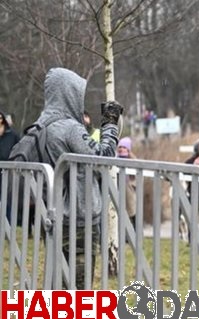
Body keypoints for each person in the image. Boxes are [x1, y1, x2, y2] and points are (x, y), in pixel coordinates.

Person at [14, 68, 121, 289]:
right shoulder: (70, 128)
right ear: (69, 93)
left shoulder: (42, 124)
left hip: (54, 215)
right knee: (78, 286)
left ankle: (58, 312)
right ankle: (73, 313)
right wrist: (110, 124)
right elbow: (103, 156)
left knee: (59, 281)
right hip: (79, 217)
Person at [1, 110, 21, 222]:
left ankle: (8, 225)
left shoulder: (12, 135)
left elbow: (20, 148)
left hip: (8, 172)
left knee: (6, 200)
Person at [116, 137, 137, 228]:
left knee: (131, 211)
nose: (121, 149)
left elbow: (137, 177)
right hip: (117, 190)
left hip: (128, 191)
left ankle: (133, 231)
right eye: (120, 147)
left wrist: (132, 185)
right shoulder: (115, 159)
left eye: (124, 147)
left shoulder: (132, 161)